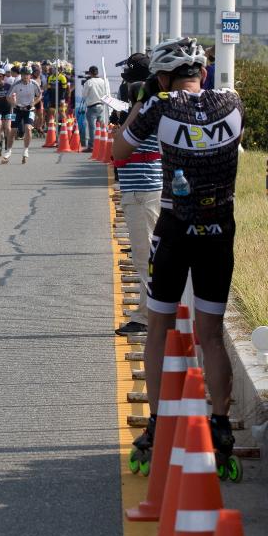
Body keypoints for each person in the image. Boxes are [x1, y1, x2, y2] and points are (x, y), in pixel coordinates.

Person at [112, 37, 244, 476]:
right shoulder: (233, 101)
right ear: (203, 73)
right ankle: (221, 426)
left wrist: (145, 98)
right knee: (211, 331)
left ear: (163, 78)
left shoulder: (160, 104)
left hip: (174, 229)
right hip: (219, 227)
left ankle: (156, 425)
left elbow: (119, 150)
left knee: (158, 326)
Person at [111, 52, 161, 337]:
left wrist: (125, 119)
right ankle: (145, 314)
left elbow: (120, 148)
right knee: (146, 256)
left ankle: (151, 317)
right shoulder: (147, 107)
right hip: (139, 187)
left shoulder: (148, 108)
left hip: (143, 188)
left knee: (145, 258)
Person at [81, 66, 110, 151]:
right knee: (101, 126)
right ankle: (102, 143)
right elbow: (106, 93)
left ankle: (91, 146)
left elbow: (84, 95)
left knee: (92, 127)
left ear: (90, 73)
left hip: (92, 106)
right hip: (101, 106)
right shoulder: (103, 81)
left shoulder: (89, 82)